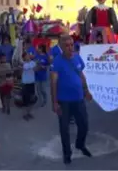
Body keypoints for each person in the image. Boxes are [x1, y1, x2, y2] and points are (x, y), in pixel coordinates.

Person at [50, 35, 92, 165]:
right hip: (64, 101)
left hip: (79, 99)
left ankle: (80, 144)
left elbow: (81, 75)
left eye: (71, 44)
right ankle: (67, 154)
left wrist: (86, 91)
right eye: (67, 45)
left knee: (84, 125)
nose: (70, 47)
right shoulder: (57, 62)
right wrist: (55, 102)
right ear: (61, 47)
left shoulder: (78, 58)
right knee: (64, 129)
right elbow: (53, 82)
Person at [21, 52, 37, 120]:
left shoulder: (33, 62)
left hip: (31, 83)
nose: (28, 56)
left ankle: (29, 112)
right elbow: (28, 67)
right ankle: (25, 114)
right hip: (25, 84)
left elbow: (35, 69)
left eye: (28, 55)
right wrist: (35, 64)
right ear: (24, 57)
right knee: (26, 100)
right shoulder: (24, 64)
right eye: (26, 56)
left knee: (32, 98)